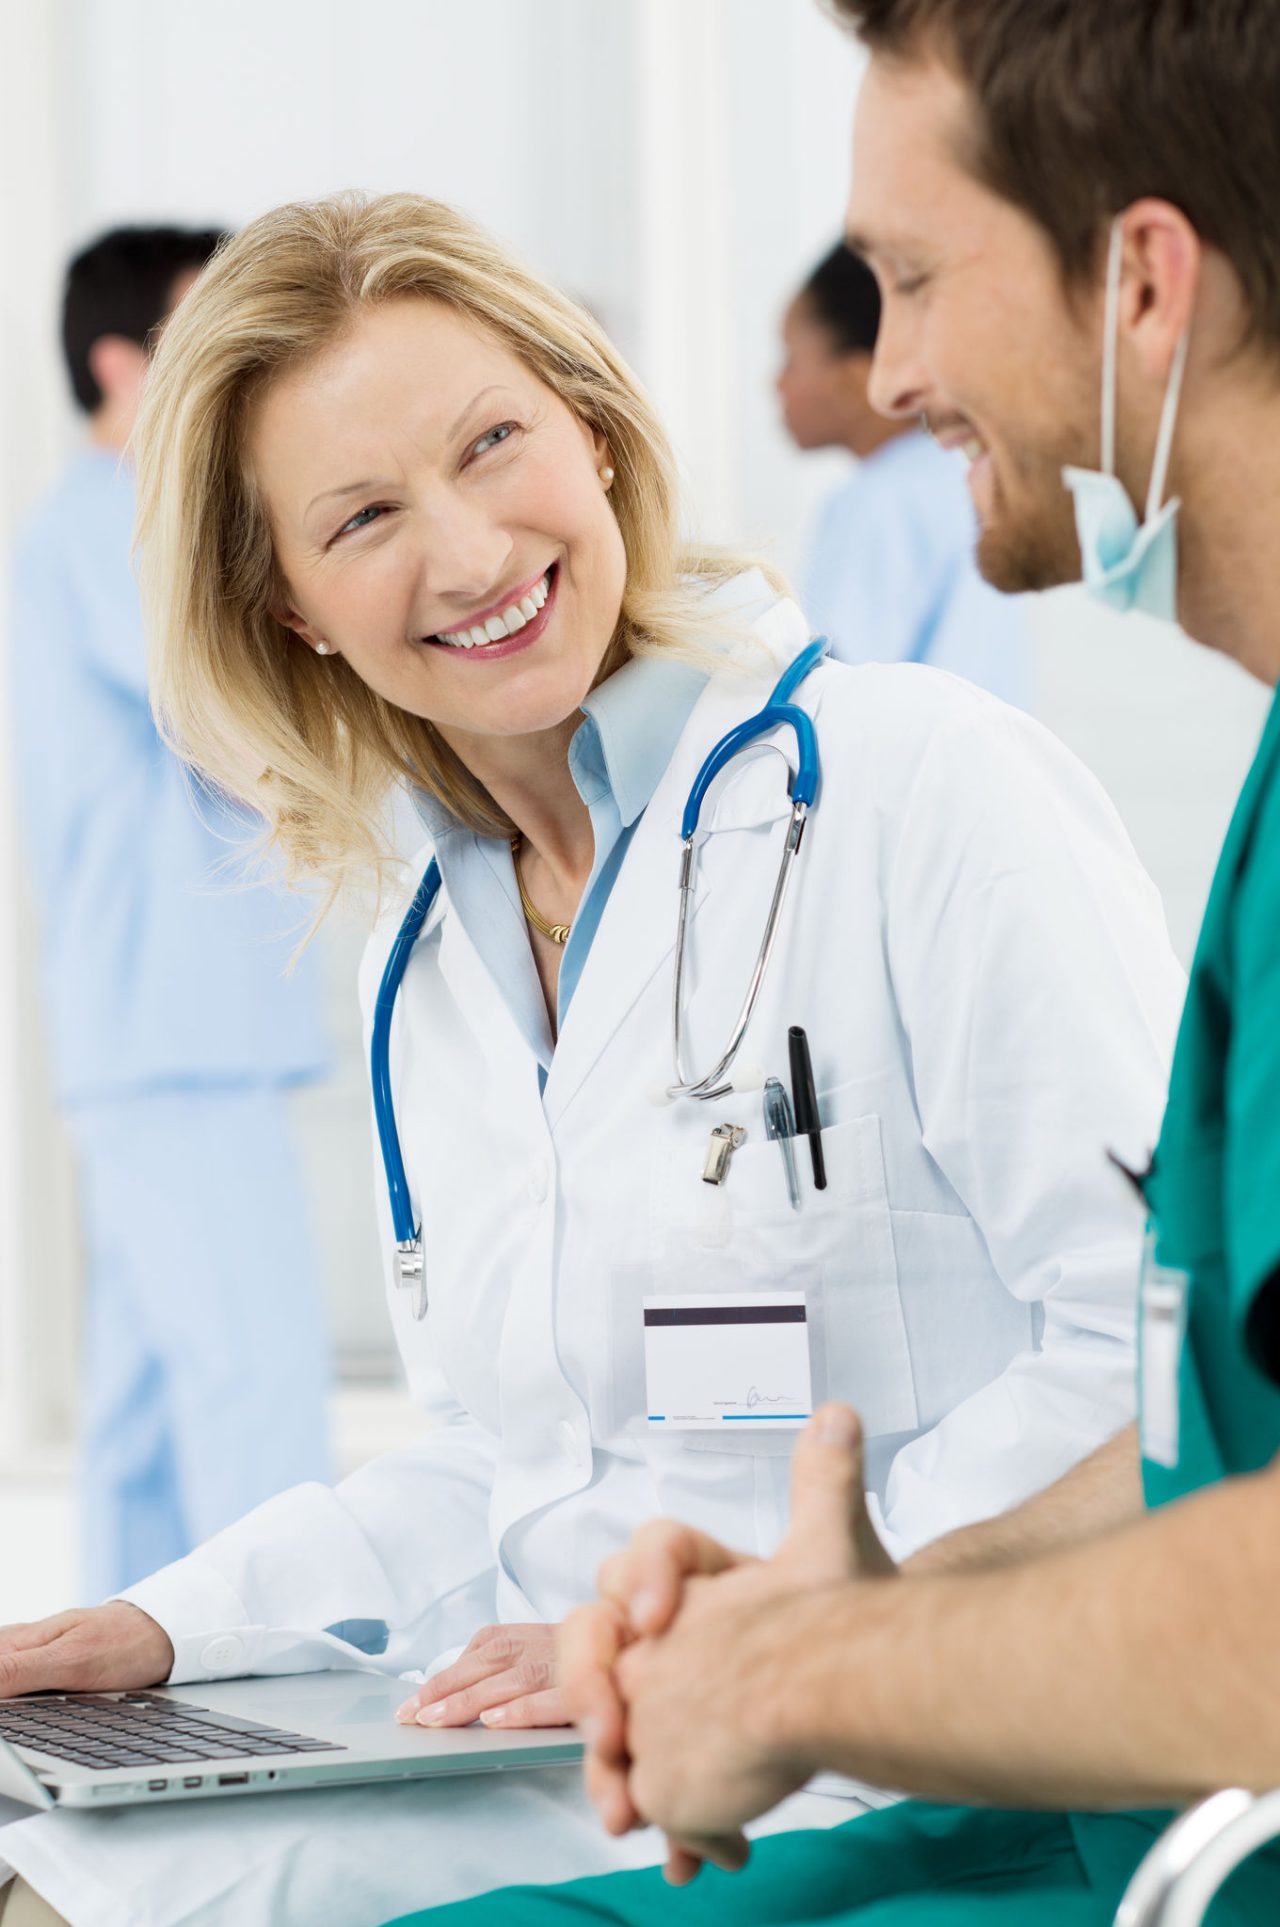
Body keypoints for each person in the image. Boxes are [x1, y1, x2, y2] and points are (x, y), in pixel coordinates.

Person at [0, 191, 1184, 1927]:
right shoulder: (431, 950)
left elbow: (1152, 1349)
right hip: (579, 1753)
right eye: (365, 516)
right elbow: (510, 1452)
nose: (472, 552)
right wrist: (171, 1625)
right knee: (54, 1867)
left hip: (919, 1754)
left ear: (598, 429)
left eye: (496, 442)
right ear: (295, 606)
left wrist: (727, 1620)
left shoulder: (918, 785)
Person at [421, 2, 1280, 1923]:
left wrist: (805, 1674)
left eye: (907, 282)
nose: (883, 374)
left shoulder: (932, 784)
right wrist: (829, 1606)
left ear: (1144, 284)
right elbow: (1203, 1450)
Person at [7, 226, 332, 1604]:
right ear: (121, 361)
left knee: (144, 1415)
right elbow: (215, 703)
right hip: (175, 1039)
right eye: (204, 329)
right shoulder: (109, 516)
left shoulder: (96, 521)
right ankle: (297, 1686)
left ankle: (106, 1719)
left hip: (159, 1038)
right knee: (254, 1376)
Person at [778, 240, 1028, 704]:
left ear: (855, 379)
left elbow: (828, 691)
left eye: (790, 359)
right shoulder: (957, 479)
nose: (775, 384)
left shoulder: (878, 500)